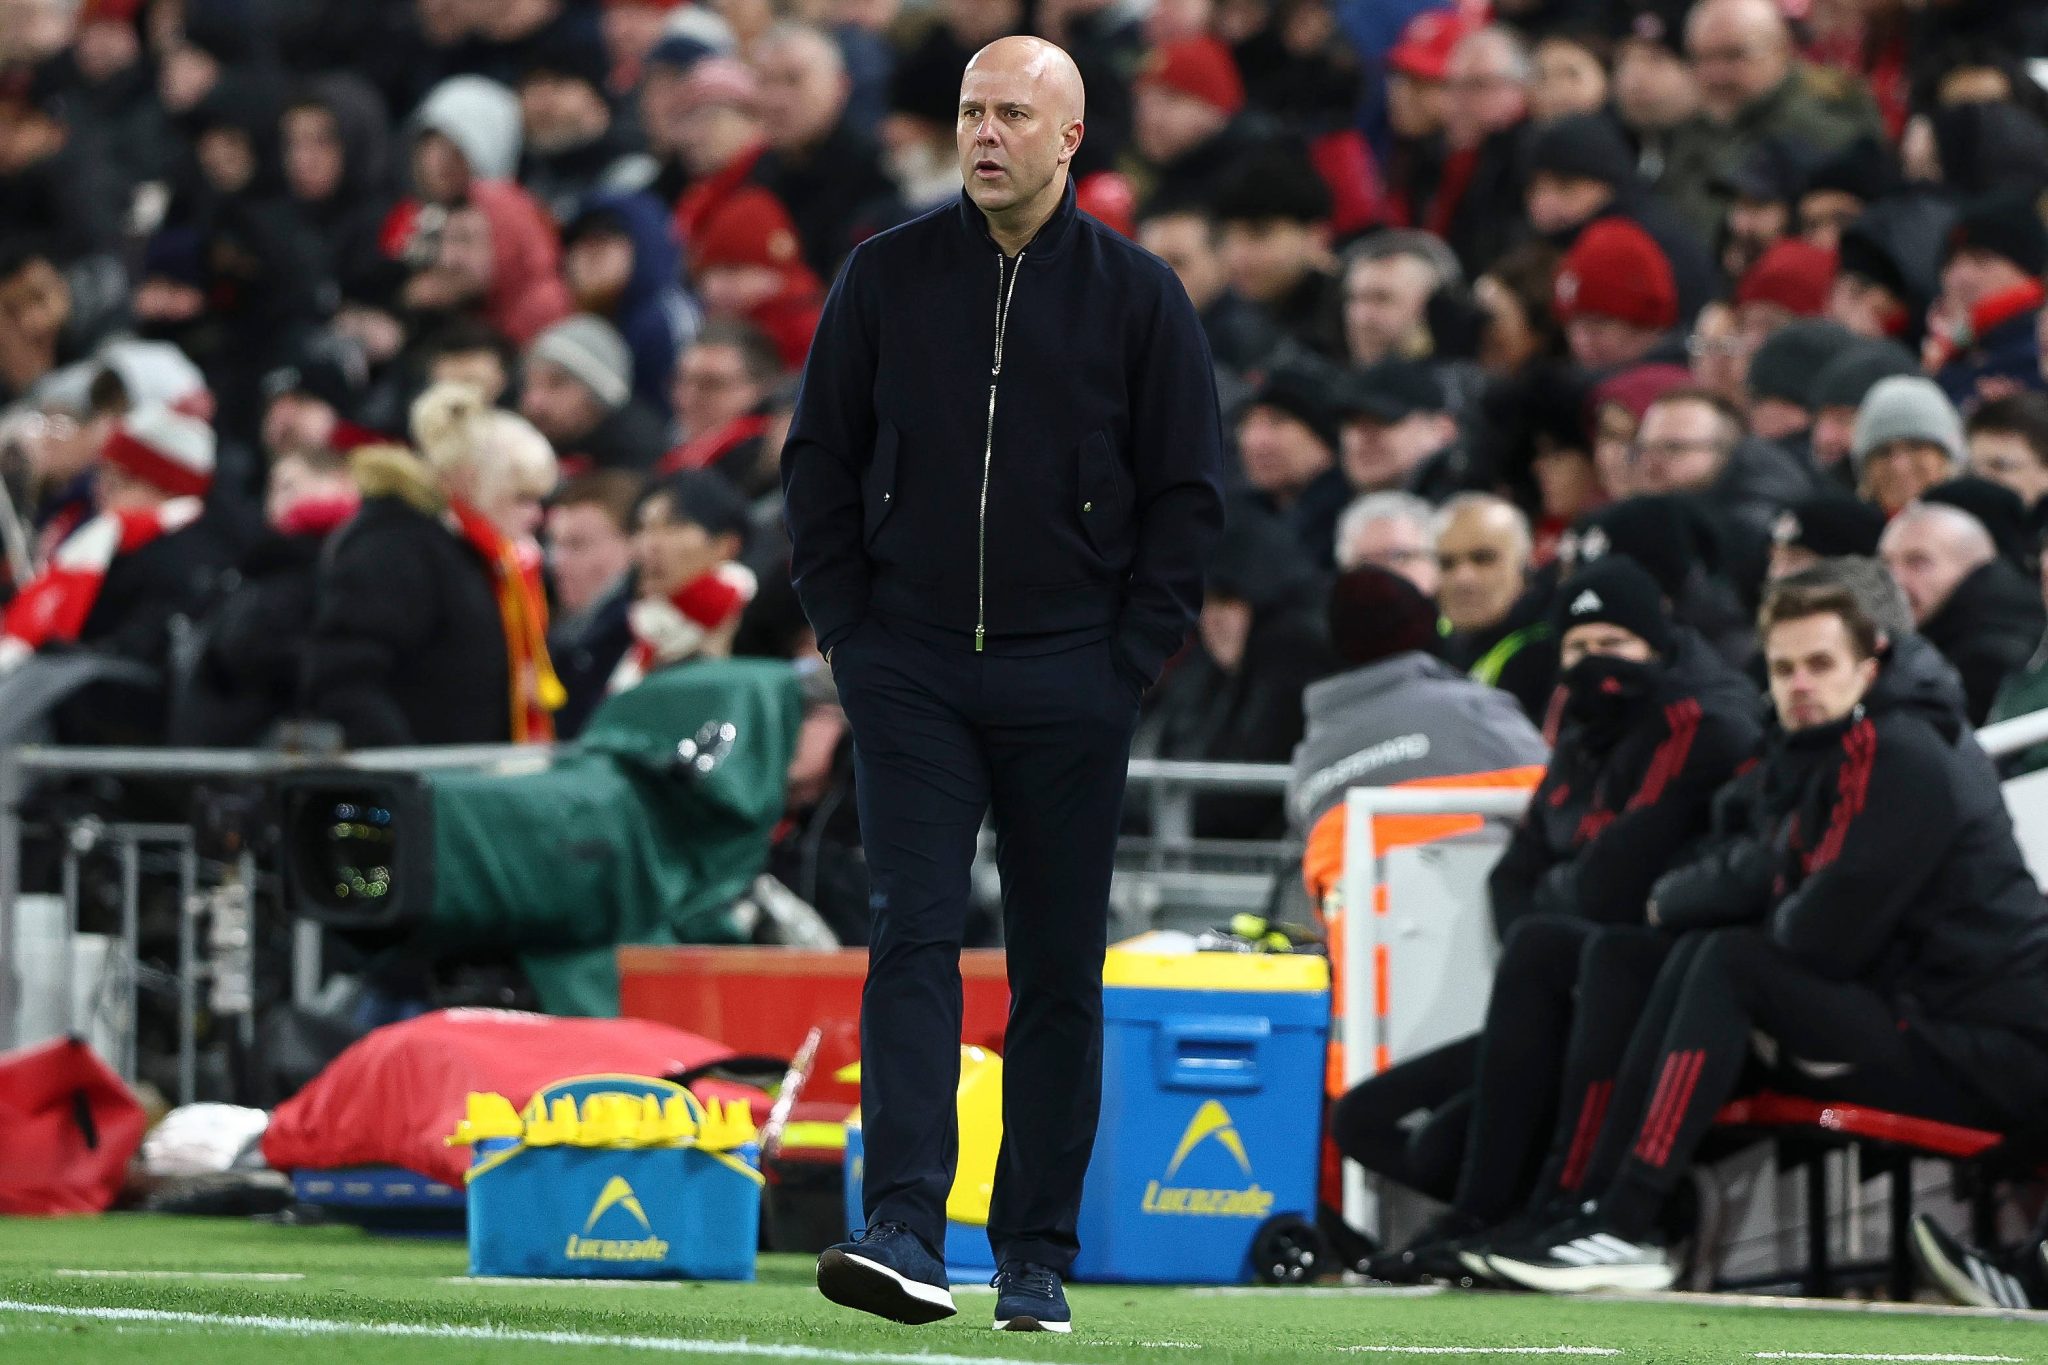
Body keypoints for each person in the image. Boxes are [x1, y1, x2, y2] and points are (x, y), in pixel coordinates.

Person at [785, 37, 1225, 1332]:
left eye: (1013, 114)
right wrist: (850, 635)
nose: (985, 133)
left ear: (1069, 136)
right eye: (973, 112)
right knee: (911, 934)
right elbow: (817, 460)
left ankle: (1033, 1252)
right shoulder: (883, 274)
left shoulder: (1140, 296)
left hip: (1071, 671)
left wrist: (1127, 661)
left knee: (1057, 968)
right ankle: (904, 1227)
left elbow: (1188, 496)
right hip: (909, 663)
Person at [1483, 576, 2048, 1294]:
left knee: (1729, 958)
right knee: (1646, 953)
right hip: (1922, 1017)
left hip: (1989, 1050)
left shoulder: (1898, 750)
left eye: (1820, 664)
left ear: (1868, 666)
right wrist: (1774, 890)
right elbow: (1723, 872)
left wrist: (1768, 891)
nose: (1799, 685)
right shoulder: (1813, 750)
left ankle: (1627, 1221)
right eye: (1783, 669)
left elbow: (1821, 936)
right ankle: (1580, 1210)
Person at [1364, 555, 1760, 1284]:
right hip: (1569, 993)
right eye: (1577, 648)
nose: (1594, 664)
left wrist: (1559, 889)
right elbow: (1512, 878)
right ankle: (1491, 1215)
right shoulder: (1580, 735)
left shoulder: (1698, 723)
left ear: (1655, 644)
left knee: (1550, 945)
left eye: (1612, 643)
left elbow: (1614, 879)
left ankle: (1542, 1212)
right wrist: (1562, 890)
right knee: (1367, 1117)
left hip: (1648, 983)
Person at [1880, 499, 2042, 726]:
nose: (1894, 580)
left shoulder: (1990, 657)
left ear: (1974, 567)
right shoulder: (1927, 639)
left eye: (1918, 562)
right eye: (1885, 564)